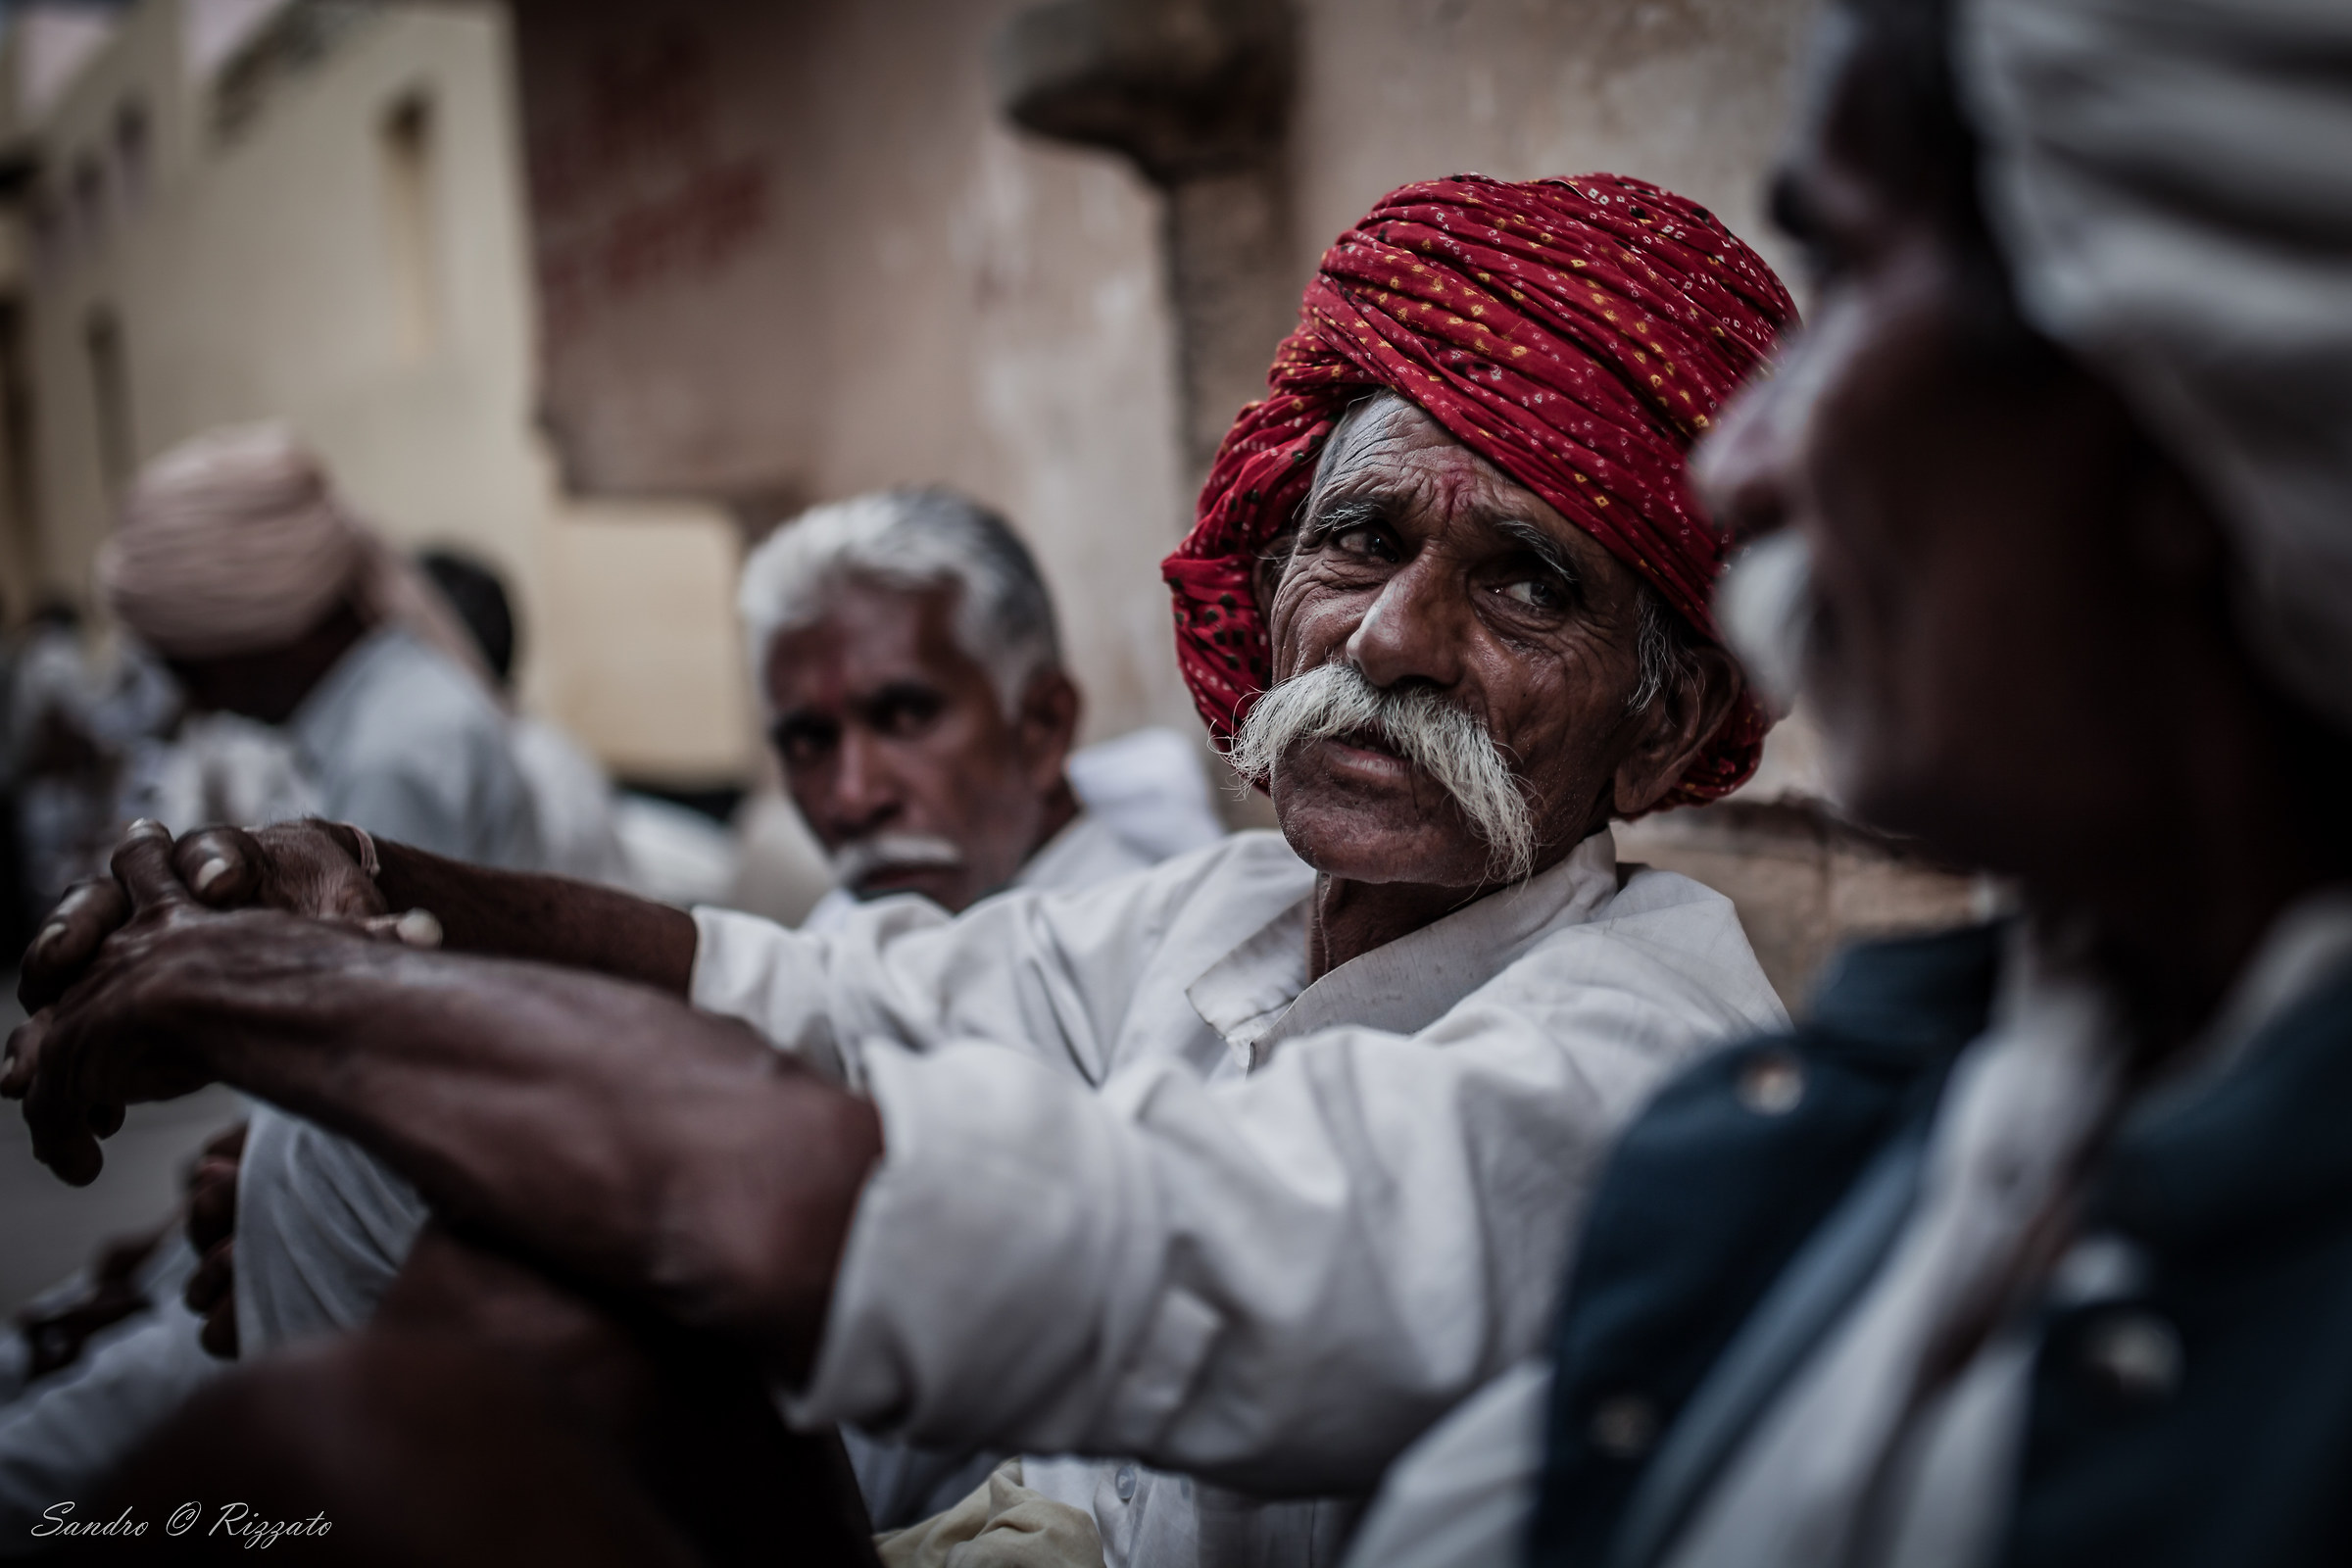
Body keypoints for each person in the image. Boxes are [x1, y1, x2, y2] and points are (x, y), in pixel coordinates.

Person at [9, 173, 1796, 1566]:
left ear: (1662, 726)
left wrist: (313, 999)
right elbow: (803, 995)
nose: (1392, 638)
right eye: (1359, 540)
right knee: (376, 1181)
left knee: (356, 1434)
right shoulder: (1228, 918)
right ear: (1272, 590)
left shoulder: (1644, 1045)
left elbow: (1093, 1242)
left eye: (1527, 584)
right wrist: (337, 880)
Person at [1337, 1, 2352, 1565]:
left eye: (1862, 281)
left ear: (2175, 408)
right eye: (1358, 544)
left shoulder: (1669, 1067)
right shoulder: (1871, 1128)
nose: (1744, 471)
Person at [0, 424, 546, 1535]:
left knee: (37, 1475)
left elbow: (387, 1069)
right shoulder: (378, 713)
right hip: (333, 1213)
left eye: (180, 645)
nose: (179, 679)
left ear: (240, 623)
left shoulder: (400, 742)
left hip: (393, 1257)